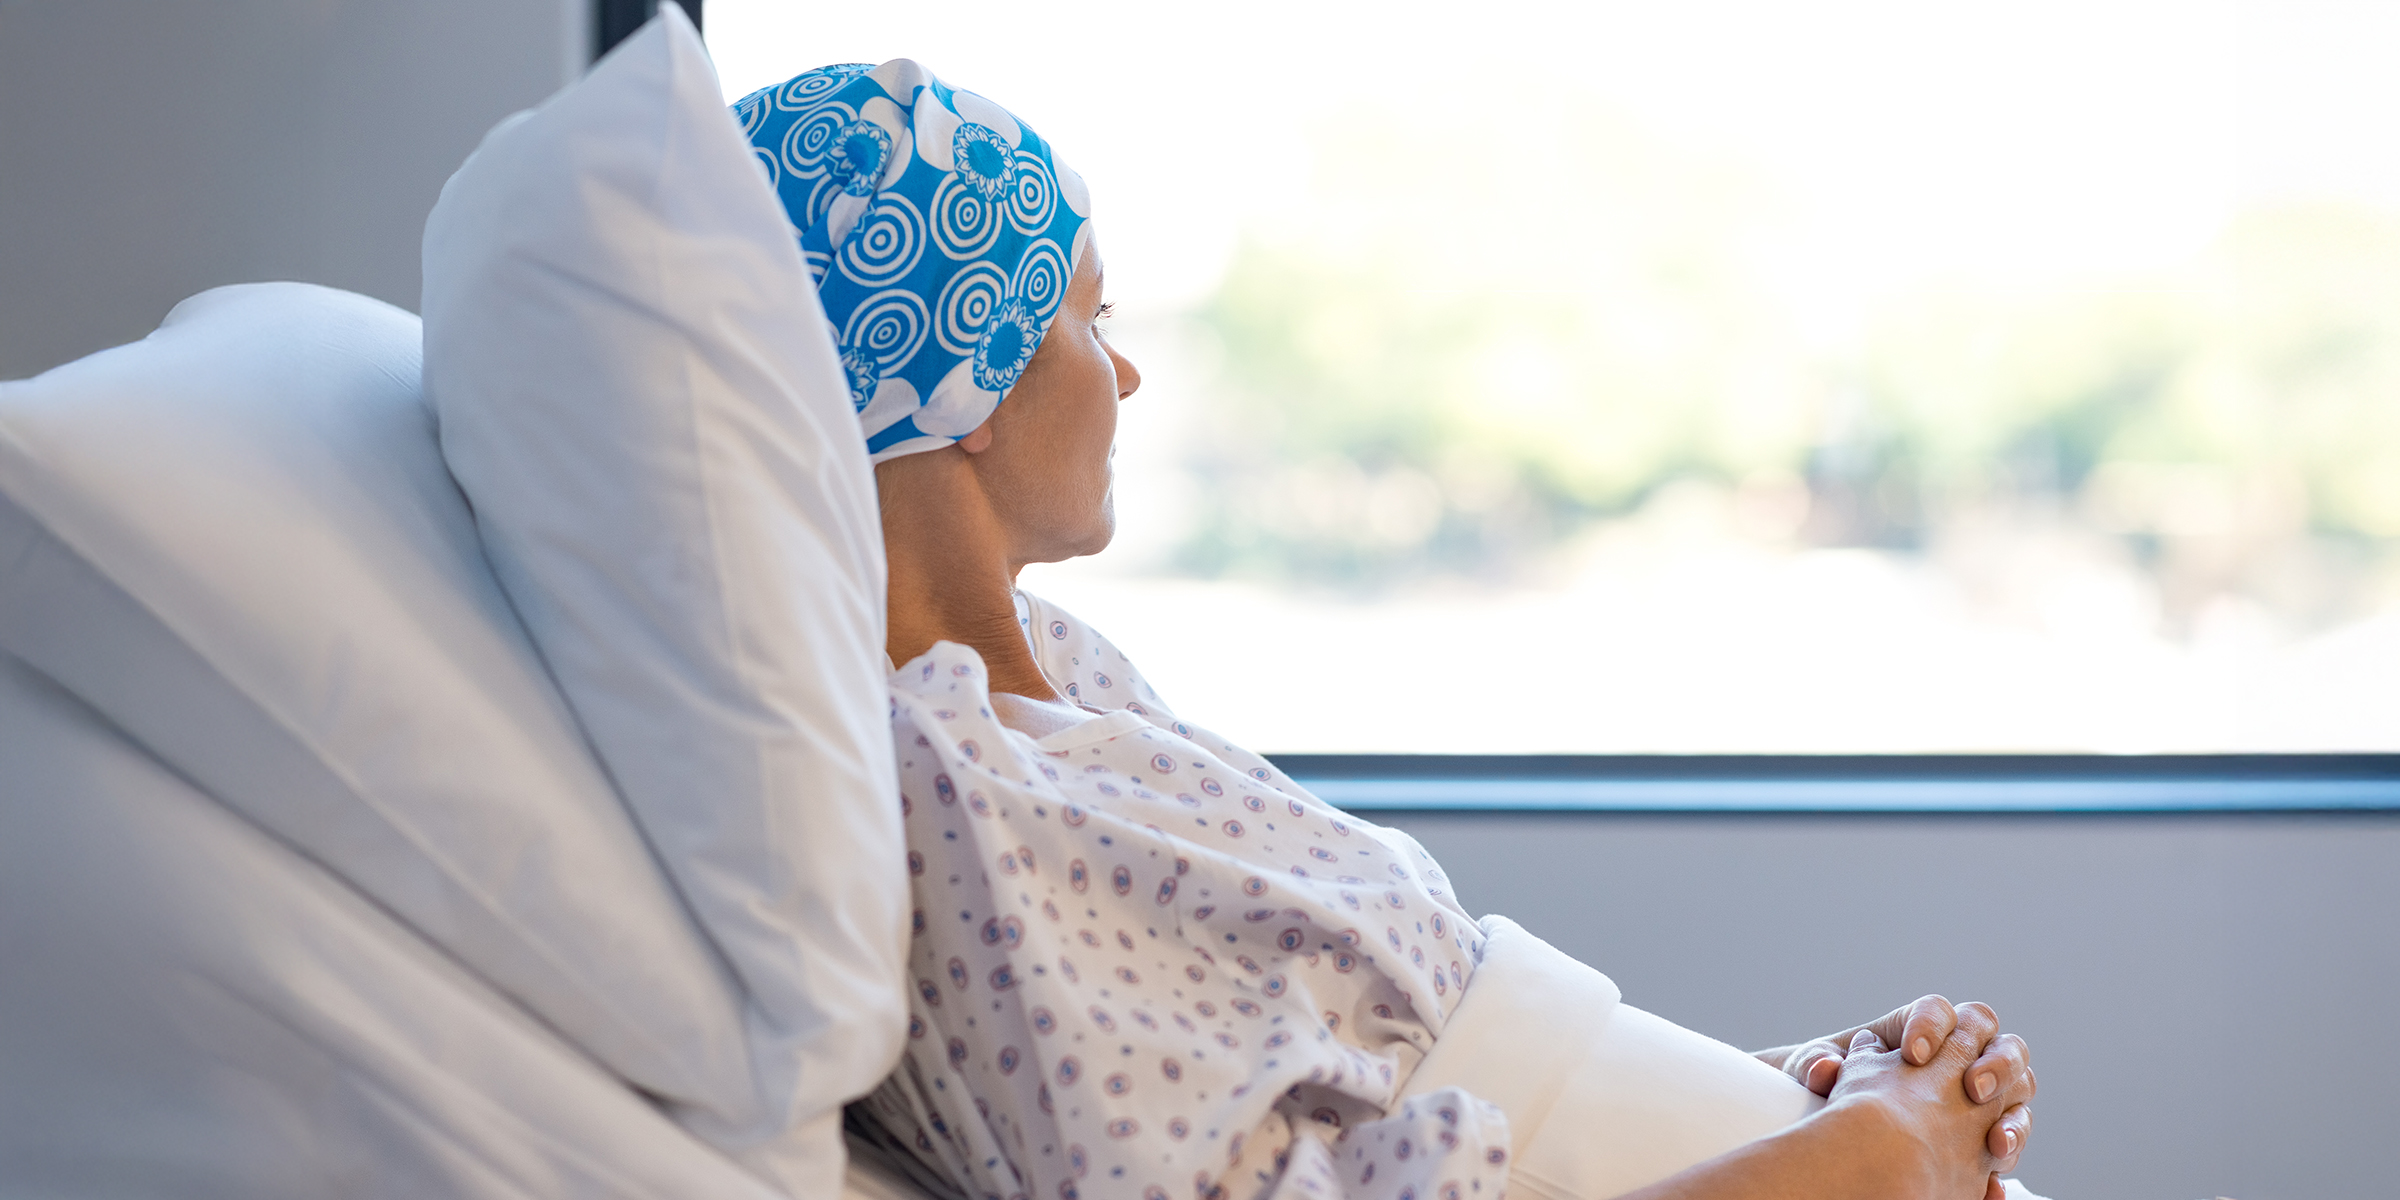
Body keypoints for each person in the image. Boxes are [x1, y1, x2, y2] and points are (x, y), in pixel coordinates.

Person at [735, 63, 2039, 1200]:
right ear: (966, 362)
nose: (1124, 372)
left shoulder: (1061, 676)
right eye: (1090, 318)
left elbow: (1408, 1079)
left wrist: (1803, 1090)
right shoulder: (941, 788)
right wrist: (1882, 1156)